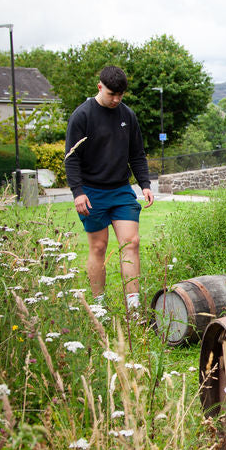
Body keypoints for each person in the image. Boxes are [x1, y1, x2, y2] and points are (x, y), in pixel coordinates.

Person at [65, 65, 154, 313]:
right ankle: (99, 307)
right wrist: (77, 192)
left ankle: (134, 309)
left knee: (131, 242)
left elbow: (137, 154)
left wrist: (144, 184)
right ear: (100, 87)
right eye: (111, 94)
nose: (116, 99)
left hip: (120, 190)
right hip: (92, 193)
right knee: (98, 247)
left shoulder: (128, 116)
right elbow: (71, 158)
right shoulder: (82, 116)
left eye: (120, 95)